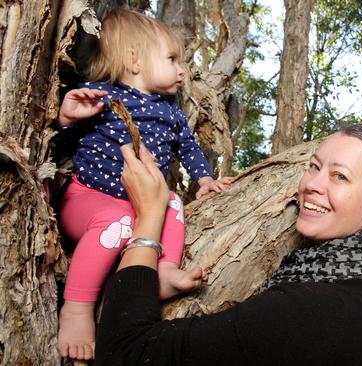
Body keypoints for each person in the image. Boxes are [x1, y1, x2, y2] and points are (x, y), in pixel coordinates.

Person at [94, 125, 362, 365]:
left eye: (340, 176)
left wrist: (150, 216)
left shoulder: (312, 309)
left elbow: (126, 353)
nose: (312, 185)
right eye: (314, 167)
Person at [56, 9, 232, 360]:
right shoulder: (102, 98)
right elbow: (63, 148)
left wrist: (204, 179)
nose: (182, 69)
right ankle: (75, 309)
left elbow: (188, 147)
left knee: (173, 203)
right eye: (172, 59)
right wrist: (64, 119)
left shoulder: (172, 112)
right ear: (135, 61)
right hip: (89, 202)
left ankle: (163, 269)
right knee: (116, 223)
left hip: (140, 214)